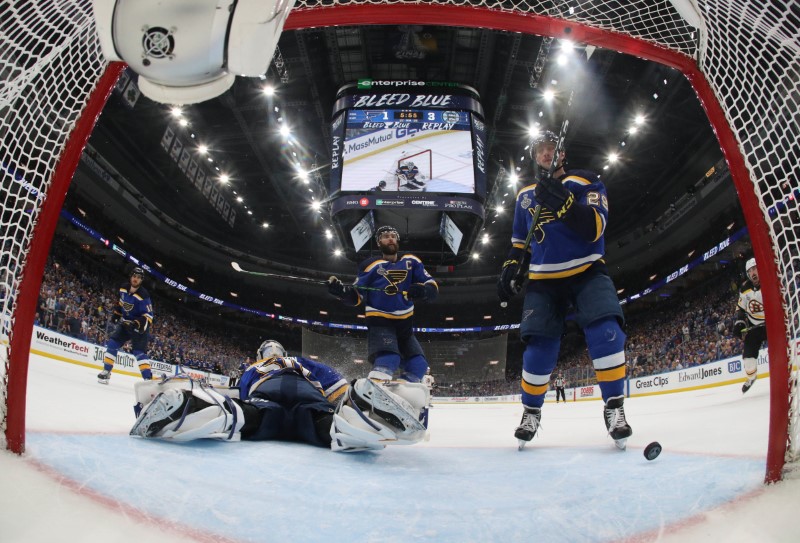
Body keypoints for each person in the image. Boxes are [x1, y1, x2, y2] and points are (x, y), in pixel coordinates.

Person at [497, 130, 632, 450]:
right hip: (544, 280)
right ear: (535, 157)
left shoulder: (585, 181)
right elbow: (520, 245)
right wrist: (510, 268)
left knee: (606, 331)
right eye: (540, 150)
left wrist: (566, 203)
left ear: (562, 154)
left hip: (587, 270)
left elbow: (594, 228)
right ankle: (531, 412)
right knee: (538, 348)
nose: (546, 153)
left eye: (551, 149)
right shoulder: (525, 195)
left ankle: (615, 408)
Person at [130, 339, 430, 451]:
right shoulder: (299, 361)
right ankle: (364, 414)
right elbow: (335, 386)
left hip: (264, 399)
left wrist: (183, 387)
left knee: (239, 415)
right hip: (308, 397)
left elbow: (232, 393)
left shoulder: (251, 368)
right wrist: (349, 395)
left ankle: (190, 406)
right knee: (329, 424)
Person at [327, 225, 438, 383]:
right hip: (380, 321)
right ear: (379, 243)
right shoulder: (370, 265)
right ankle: (371, 393)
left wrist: (423, 291)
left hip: (405, 325)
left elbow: (432, 287)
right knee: (389, 360)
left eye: (393, 235)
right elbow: (356, 296)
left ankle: (401, 396)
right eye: (386, 236)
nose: (391, 238)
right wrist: (341, 292)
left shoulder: (412, 262)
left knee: (418, 366)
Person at [97, 267, 154, 384]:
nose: (135, 279)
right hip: (126, 324)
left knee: (138, 352)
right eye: (134, 276)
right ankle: (106, 371)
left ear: (141, 280)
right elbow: (121, 303)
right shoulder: (123, 288)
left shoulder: (144, 295)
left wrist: (137, 324)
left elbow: (149, 316)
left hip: (139, 328)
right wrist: (117, 313)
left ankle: (148, 380)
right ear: (131, 277)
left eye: (138, 278)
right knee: (112, 344)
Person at [733, 257, 766, 394]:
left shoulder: (769, 280)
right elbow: (740, 308)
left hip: (771, 324)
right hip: (755, 325)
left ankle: (786, 372)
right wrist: (739, 322)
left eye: (755, 269)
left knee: (779, 350)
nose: (753, 273)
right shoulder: (745, 288)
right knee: (748, 354)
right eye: (750, 271)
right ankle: (751, 377)